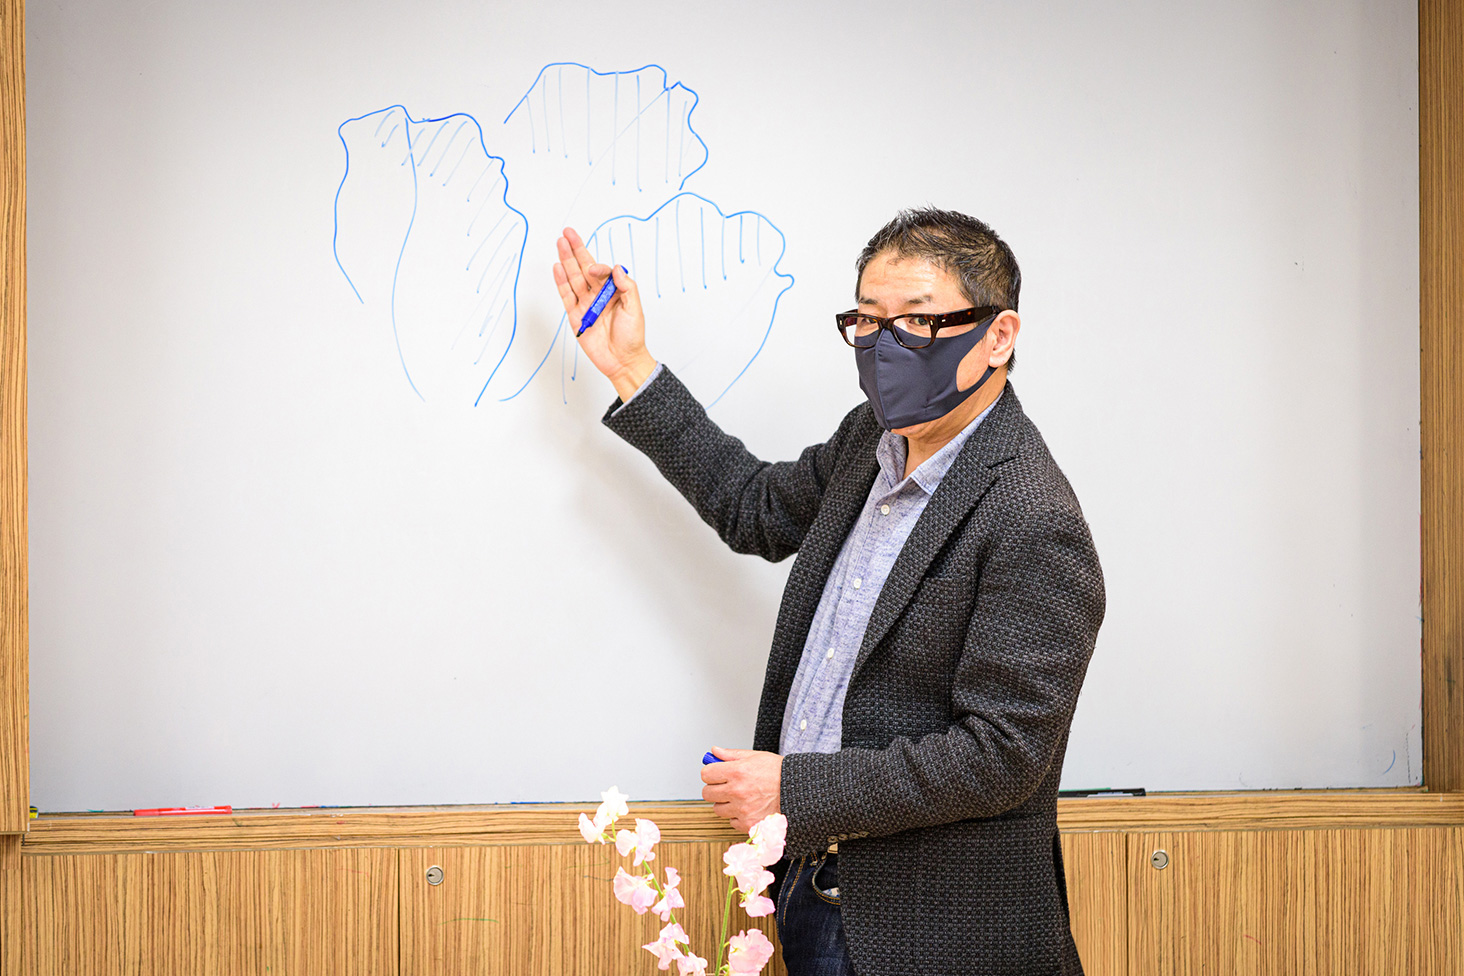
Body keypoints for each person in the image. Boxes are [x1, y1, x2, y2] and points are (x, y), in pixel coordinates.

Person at [552, 208, 1105, 976]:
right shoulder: (869, 442)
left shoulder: (1032, 516)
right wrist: (630, 365)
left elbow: (1002, 756)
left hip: (927, 935)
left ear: (998, 335)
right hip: (812, 890)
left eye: (917, 321)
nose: (886, 345)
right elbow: (753, 507)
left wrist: (795, 788)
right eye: (869, 320)